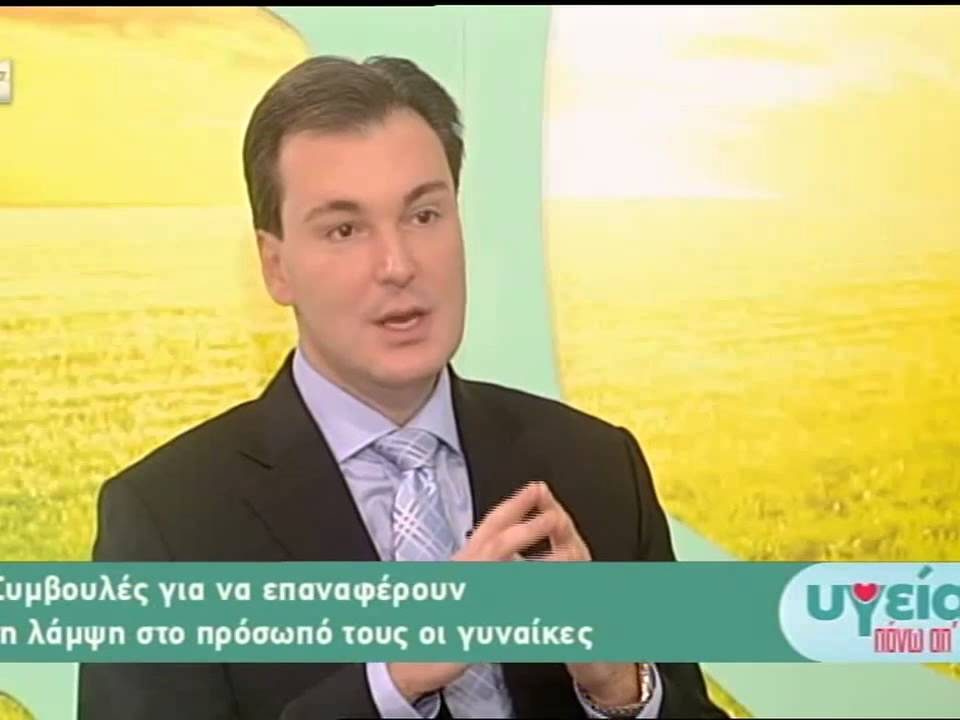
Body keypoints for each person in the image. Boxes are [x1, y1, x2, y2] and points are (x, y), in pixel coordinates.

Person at [78, 55, 728, 720]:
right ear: (277, 267)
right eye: (345, 229)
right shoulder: (168, 524)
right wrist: (392, 682)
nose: (398, 264)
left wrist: (621, 687)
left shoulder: (597, 467)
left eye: (423, 215)